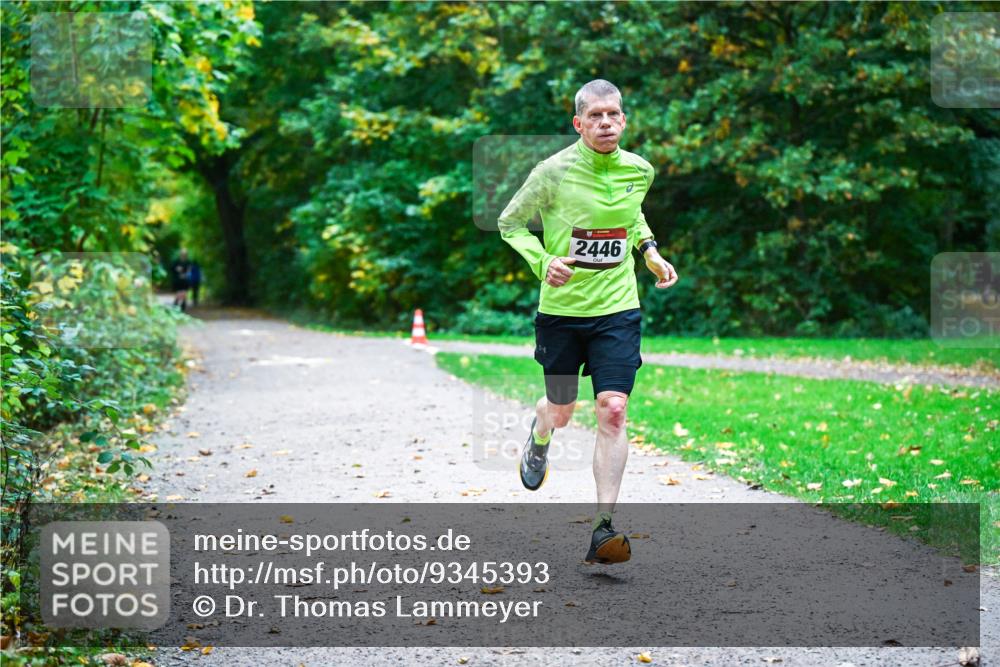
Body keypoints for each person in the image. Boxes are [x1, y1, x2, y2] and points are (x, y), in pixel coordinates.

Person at [498, 79, 678, 564]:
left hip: (618, 308)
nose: (605, 123)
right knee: (561, 409)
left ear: (624, 120)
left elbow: (631, 215)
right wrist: (542, 262)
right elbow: (510, 223)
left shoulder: (639, 170)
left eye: (613, 115)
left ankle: (603, 528)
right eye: (595, 116)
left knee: (613, 408)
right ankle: (540, 436)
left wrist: (650, 252)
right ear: (578, 123)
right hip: (561, 313)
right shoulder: (552, 172)